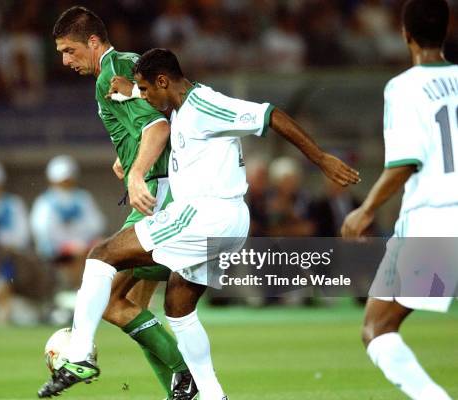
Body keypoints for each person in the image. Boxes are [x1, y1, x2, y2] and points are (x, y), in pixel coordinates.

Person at [37, 48, 359, 399]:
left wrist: (322, 159)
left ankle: (80, 354)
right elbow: (167, 112)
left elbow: (271, 115)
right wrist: (131, 92)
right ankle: (212, 394)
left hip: (204, 216)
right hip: (225, 221)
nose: (143, 98)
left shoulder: (205, 105)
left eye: (145, 90)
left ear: (163, 81)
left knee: (102, 256)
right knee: (178, 308)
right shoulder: (182, 106)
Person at [49, 6, 191, 399]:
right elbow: (156, 116)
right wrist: (128, 155)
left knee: (110, 297)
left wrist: (136, 172)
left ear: (93, 42)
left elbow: (157, 126)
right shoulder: (128, 65)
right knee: (129, 303)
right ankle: (183, 388)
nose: (65, 60)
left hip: (159, 195)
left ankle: (188, 375)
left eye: (69, 50)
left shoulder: (114, 72)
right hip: (162, 190)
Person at [341, 1, 455, 399]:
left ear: (404, 34)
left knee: (378, 328)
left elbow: (405, 162)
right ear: (447, 29)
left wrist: (365, 209)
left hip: (436, 219)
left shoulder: (404, 87)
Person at [30, 155, 106, 289]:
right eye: (61, 180)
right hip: (56, 252)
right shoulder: (45, 202)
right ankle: (74, 289)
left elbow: (97, 224)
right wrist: (66, 247)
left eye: (68, 179)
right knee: (75, 259)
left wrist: (81, 243)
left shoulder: (83, 198)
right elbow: (42, 231)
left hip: (83, 247)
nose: (65, 183)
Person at [0, 223, 53, 325]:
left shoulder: (3, 255)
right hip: (22, 300)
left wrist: (1, 318)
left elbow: (5, 288)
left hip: (31, 302)